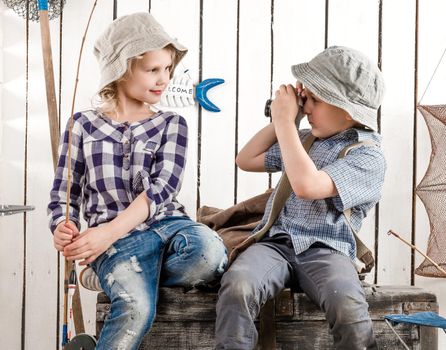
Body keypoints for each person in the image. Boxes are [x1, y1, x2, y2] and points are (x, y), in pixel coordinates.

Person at [48, 12, 227, 350]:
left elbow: (162, 190)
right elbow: (64, 195)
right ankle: (117, 275)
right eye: (153, 69)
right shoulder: (82, 125)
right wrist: (63, 226)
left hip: (168, 226)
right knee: (136, 307)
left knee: (209, 254)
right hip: (116, 244)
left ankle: (112, 276)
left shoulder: (173, 123)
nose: (164, 79)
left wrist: (105, 235)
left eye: (168, 69)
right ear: (122, 68)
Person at [215, 46, 386, 349]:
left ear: (346, 110)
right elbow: (246, 159)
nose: (306, 108)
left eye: (314, 100)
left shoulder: (367, 157)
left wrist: (284, 124)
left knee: (347, 305)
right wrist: (285, 122)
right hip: (275, 244)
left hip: (328, 250)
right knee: (238, 285)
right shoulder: (304, 140)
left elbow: (308, 185)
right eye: (304, 99)